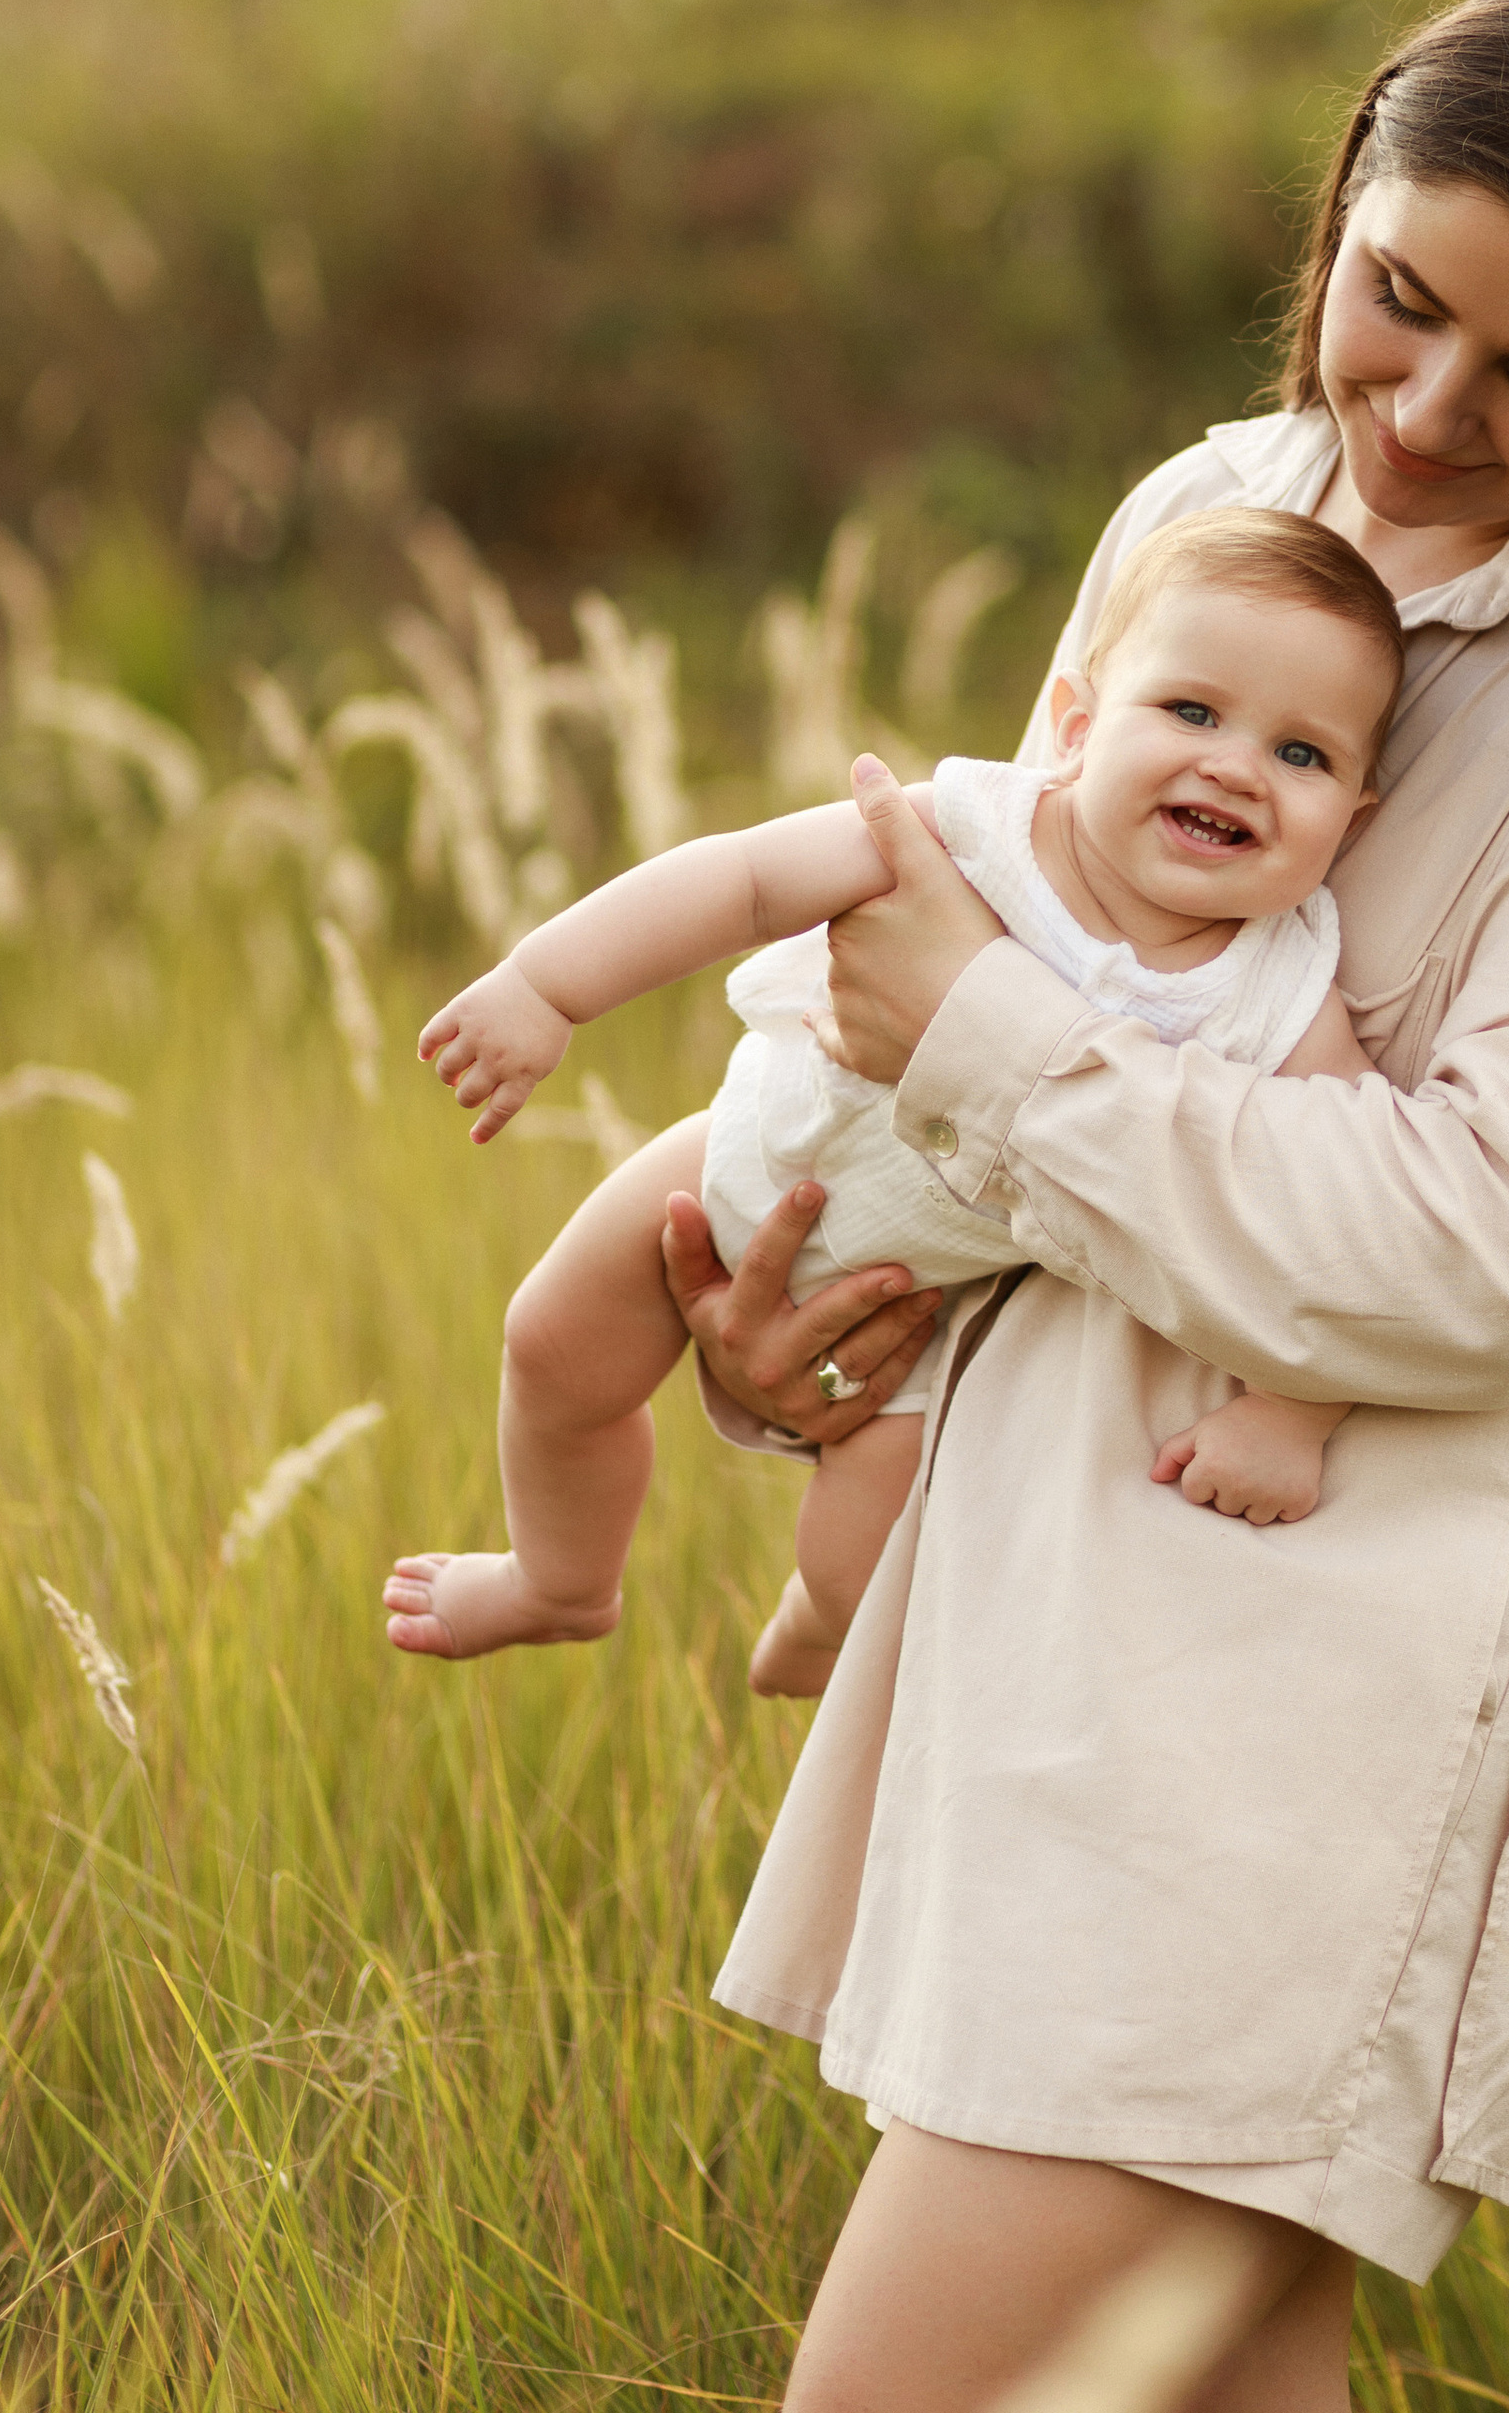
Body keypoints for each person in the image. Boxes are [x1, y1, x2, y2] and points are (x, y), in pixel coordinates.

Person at [668, 0, 1509, 2413]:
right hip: (1051, 1618)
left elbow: (1486, 1260)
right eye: (1394, 295)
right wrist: (798, 1324)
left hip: (1317, 1716)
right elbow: (1036, 977)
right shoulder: (1208, 516)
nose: (1423, 410)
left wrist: (986, 1047)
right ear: (1341, 200)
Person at [385, 509, 1404, 1688]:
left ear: (1356, 817)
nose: (1233, 765)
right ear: (1076, 727)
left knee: (868, 1565)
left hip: (925, 1307)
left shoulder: (1274, 988)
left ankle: (817, 1624)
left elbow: (1342, 1212)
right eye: (1189, 711)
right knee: (554, 1344)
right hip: (741, 1158)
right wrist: (544, 988)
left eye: (1303, 756)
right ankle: (557, 1579)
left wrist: (1292, 1413)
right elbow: (748, 877)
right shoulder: (973, 832)